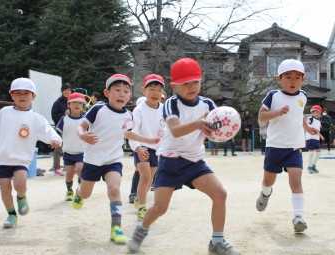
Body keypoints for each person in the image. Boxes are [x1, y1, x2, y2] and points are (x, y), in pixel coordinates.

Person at [127, 58, 240, 255]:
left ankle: (217, 242)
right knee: (160, 207)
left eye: (195, 82)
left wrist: (226, 128)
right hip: (171, 160)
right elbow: (176, 130)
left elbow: (217, 125)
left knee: (220, 194)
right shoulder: (171, 103)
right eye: (185, 83)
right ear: (173, 86)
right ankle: (141, 229)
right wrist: (198, 124)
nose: (191, 87)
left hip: (195, 161)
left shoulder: (207, 103)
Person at [73, 74, 159, 244]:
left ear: (130, 95)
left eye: (126, 91)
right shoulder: (98, 109)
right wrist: (83, 136)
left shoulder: (128, 115)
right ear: (107, 92)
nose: (122, 94)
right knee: (86, 193)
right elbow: (81, 127)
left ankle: (116, 228)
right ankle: (78, 193)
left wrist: (148, 140)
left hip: (113, 160)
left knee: (114, 190)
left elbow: (129, 133)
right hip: (92, 159)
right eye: (117, 90)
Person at [255, 59, 319, 233]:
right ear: (279, 79)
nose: (293, 81)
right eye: (288, 77)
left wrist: (308, 127)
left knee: (296, 180)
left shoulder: (303, 96)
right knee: (268, 180)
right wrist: (276, 113)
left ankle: (298, 216)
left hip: (294, 147)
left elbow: (299, 116)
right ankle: (265, 193)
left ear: (303, 80)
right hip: (275, 146)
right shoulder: (273, 96)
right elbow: (262, 115)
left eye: (297, 77)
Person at [0, 78, 62, 228]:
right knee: (5, 188)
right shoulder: (3, 112)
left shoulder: (36, 118)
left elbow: (50, 132)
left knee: (20, 185)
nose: (22, 96)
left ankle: (21, 196)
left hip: (21, 159)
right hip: (2, 158)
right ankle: (11, 215)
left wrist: (55, 139)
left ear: (33, 96)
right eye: (18, 93)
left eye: (26, 93)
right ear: (11, 95)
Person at [129, 74, 165, 220]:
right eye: (151, 89)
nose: (155, 93)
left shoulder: (165, 109)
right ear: (143, 90)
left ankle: (138, 199)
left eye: (159, 90)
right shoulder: (138, 110)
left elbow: (167, 130)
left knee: (150, 179)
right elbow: (132, 131)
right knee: (145, 177)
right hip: (142, 147)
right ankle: (142, 207)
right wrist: (137, 148)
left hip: (156, 150)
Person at [56, 92, 86, 201]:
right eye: (74, 103)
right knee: (68, 174)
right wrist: (55, 140)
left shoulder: (85, 120)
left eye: (80, 103)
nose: (77, 105)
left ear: (83, 106)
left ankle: (80, 189)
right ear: (69, 104)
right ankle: (69, 190)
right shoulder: (64, 119)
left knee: (80, 169)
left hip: (81, 152)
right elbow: (57, 132)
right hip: (68, 152)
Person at [51, 82, 72, 176]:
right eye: (66, 90)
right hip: (60, 128)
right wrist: (64, 114)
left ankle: (70, 167)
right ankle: (56, 168)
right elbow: (54, 116)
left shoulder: (72, 102)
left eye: (69, 90)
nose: (67, 92)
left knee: (71, 148)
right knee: (58, 148)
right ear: (62, 91)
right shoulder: (57, 103)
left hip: (70, 128)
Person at [305, 105, 324, 174]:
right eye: (316, 112)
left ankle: (313, 165)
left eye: (319, 113)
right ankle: (309, 167)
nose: (318, 114)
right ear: (312, 112)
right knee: (312, 153)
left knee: (319, 152)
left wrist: (321, 136)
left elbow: (317, 130)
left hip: (316, 139)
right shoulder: (311, 118)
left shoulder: (318, 121)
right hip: (310, 138)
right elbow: (306, 124)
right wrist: (306, 124)